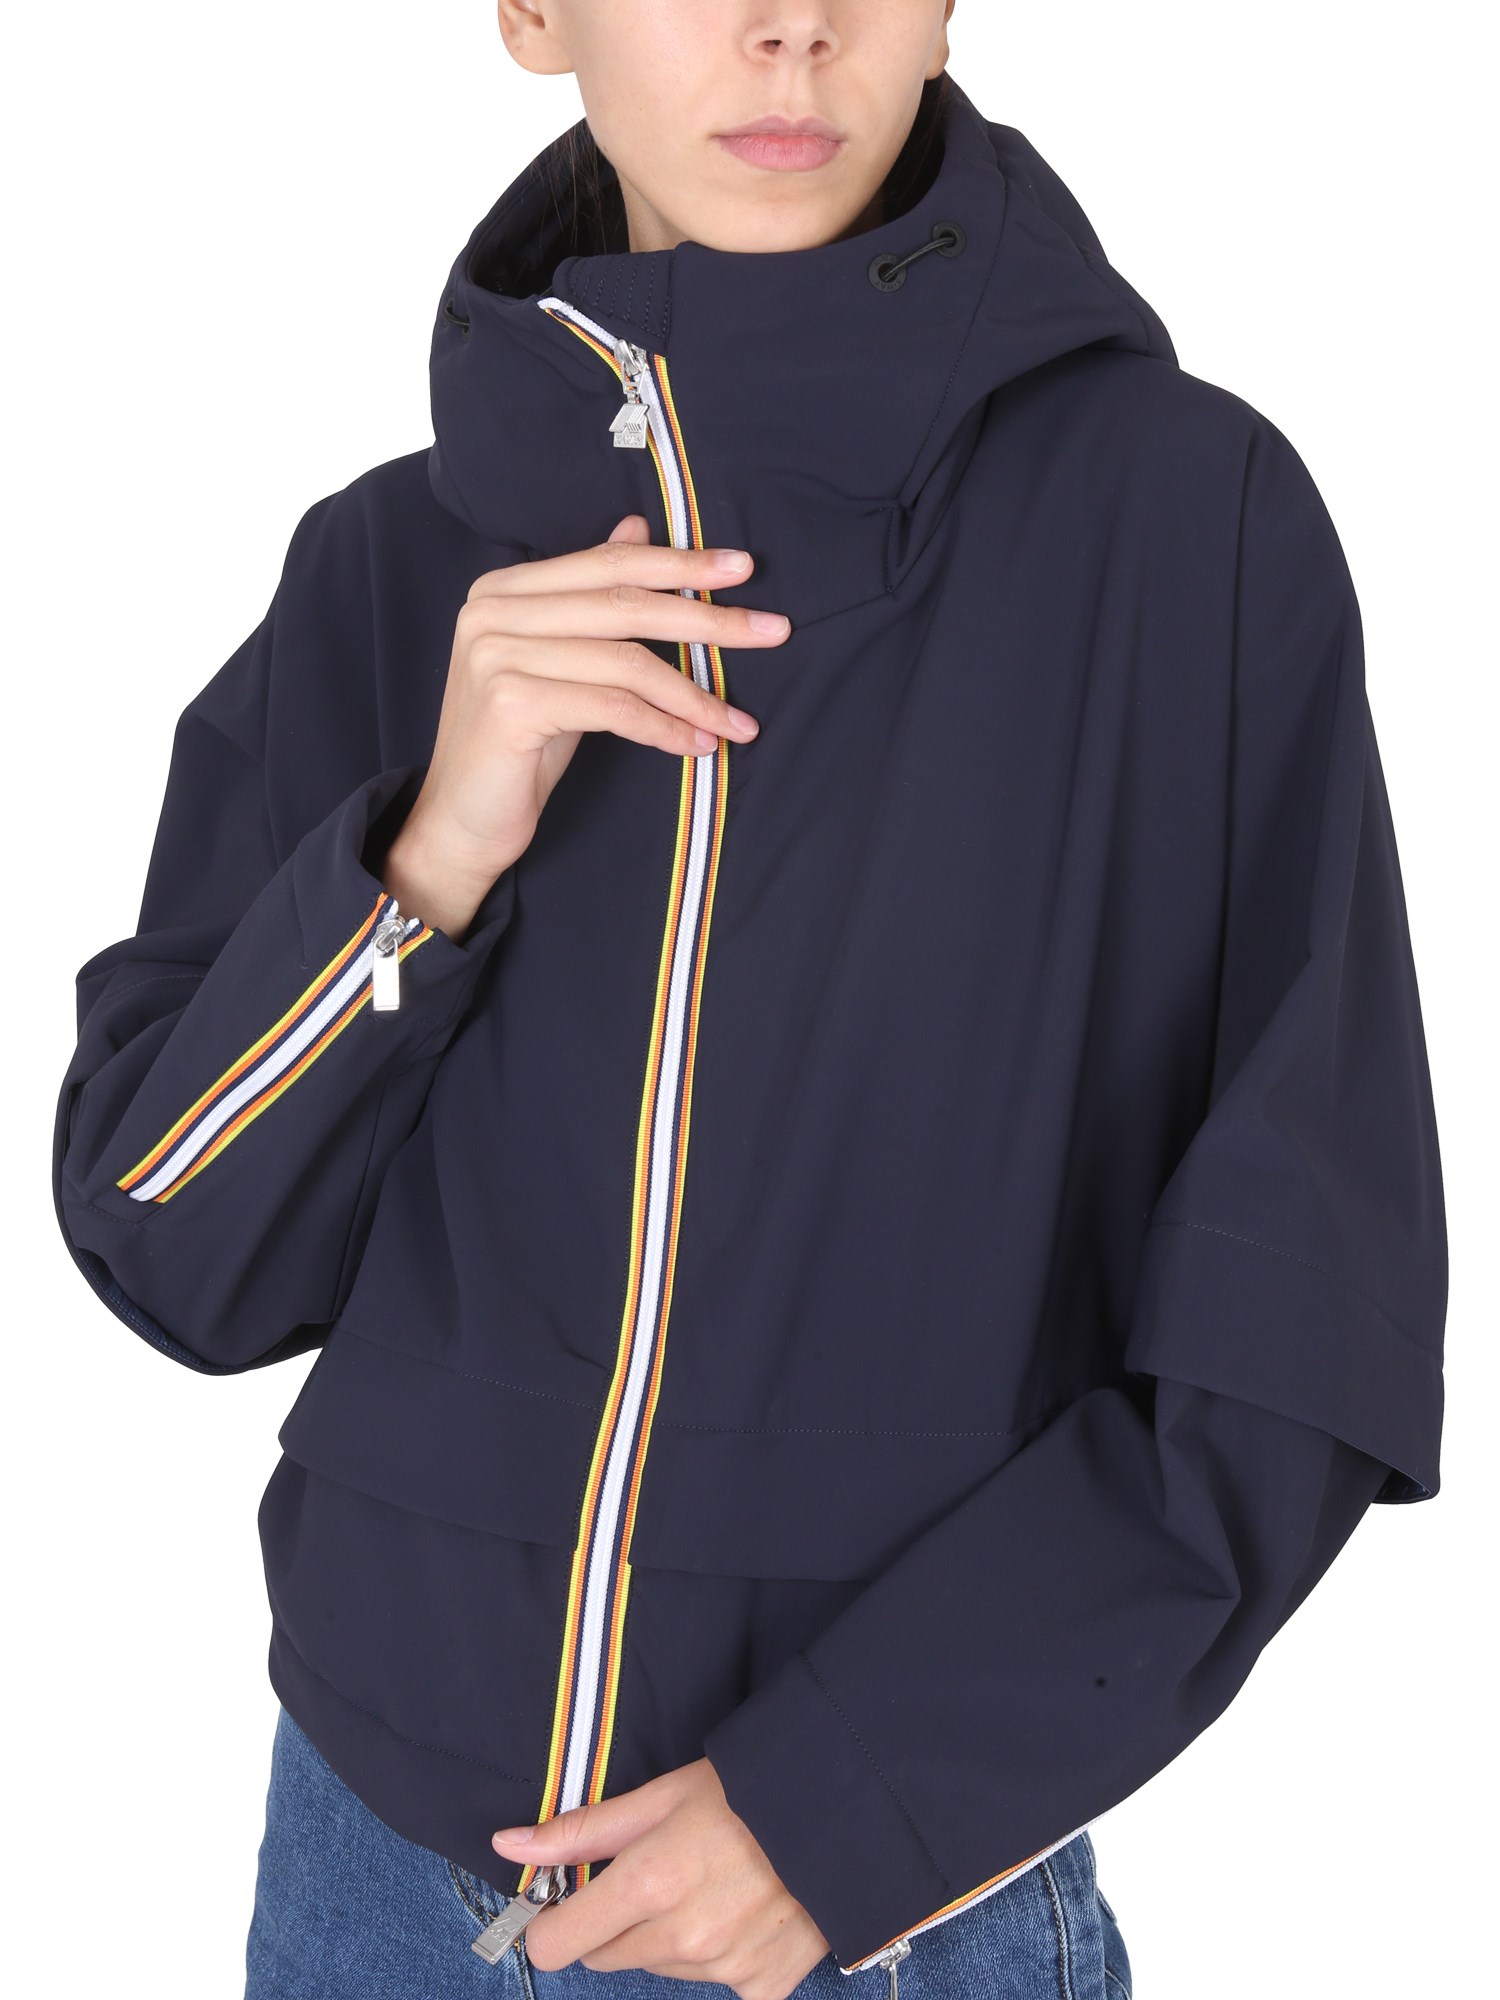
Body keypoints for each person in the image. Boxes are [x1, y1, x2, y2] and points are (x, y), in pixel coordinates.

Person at [50, 5, 1447, 1998]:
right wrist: (426, 863)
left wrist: (853, 1808)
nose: (792, 24)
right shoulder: (389, 567)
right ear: (535, 14)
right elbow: (171, 1251)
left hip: (876, 1918)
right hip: (371, 1873)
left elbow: (1308, 1322)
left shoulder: (1185, 523)